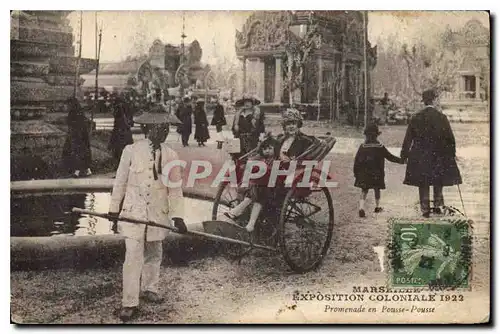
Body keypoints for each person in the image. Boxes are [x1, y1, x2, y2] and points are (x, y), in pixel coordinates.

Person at [108, 106, 186, 322]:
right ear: (148, 129)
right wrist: (114, 211)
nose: (164, 132)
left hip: (157, 214)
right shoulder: (130, 151)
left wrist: (178, 216)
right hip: (133, 212)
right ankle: (129, 302)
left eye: (166, 128)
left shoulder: (171, 155)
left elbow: (175, 188)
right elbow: (120, 183)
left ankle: (150, 288)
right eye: (159, 128)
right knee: (132, 256)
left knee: (154, 252)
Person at [401, 88, 462, 218]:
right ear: (434, 100)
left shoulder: (416, 117)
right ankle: (438, 206)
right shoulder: (442, 117)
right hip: (439, 155)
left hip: (420, 155)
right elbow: (450, 139)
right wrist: (452, 153)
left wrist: (404, 155)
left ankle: (425, 209)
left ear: (424, 101)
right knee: (437, 180)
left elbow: (408, 139)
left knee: (423, 182)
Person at [224, 136, 279, 232]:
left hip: (273, 187)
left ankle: (241, 215)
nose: (267, 151)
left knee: (258, 191)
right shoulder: (262, 159)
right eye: (264, 149)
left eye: (270, 149)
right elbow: (251, 161)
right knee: (256, 190)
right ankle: (247, 221)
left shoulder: (276, 160)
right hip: (261, 186)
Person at [353, 123, 404, 218]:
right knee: (377, 189)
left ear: (366, 135)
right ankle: (377, 206)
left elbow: (357, 162)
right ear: (377, 135)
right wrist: (401, 161)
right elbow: (390, 157)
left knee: (364, 190)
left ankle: (361, 207)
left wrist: (356, 173)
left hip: (365, 174)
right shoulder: (380, 147)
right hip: (377, 174)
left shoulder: (362, 147)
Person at [62, 97, 92, 177]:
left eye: (67, 105)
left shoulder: (72, 114)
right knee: (84, 152)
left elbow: (72, 127)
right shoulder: (80, 112)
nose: (66, 107)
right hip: (83, 136)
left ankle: (77, 171)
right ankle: (87, 170)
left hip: (76, 136)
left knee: (76, 152)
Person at [108, 93, 134, 165]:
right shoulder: (126, 108)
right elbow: (131, 123)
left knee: (119, 152)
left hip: (120, 134)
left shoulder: (119, 112)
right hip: (126, 134)